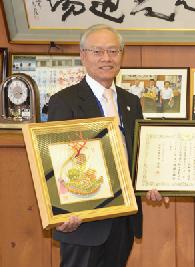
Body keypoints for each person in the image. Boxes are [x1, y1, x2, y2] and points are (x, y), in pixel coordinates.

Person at [47, 24, 168, 267]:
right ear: (82, 55)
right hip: (83, 220)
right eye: (97, 51)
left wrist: (152, 182)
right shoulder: (64, 101)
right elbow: (55, 161)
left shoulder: (131, 101)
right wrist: (61, 212)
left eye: (113, 51)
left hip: (124, 217)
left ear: (122, 55)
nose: (106, 58)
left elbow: (137, 154)